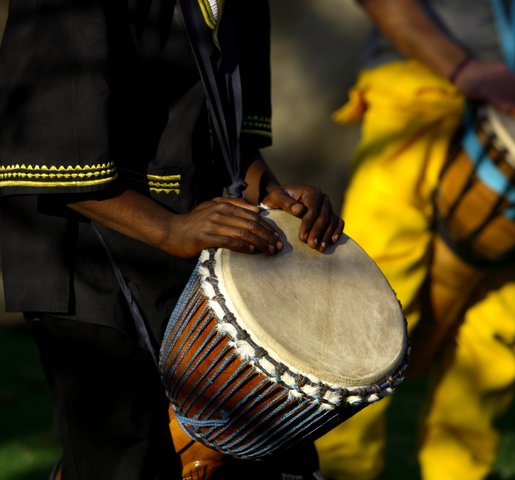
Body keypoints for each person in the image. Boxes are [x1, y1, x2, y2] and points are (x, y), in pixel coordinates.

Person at [0, 1, 344, 479]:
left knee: (261, 460)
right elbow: (52, 156)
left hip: (191, 254)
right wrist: (170, 229)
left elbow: (227, 137)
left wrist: (274, 196)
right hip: (88, 256)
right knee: (125, 457)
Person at [315, 1, 515, 479]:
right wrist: (461, 67)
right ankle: (340, 470)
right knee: (369, 308)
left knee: (494, 326)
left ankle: (461, 470)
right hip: (414, 89)